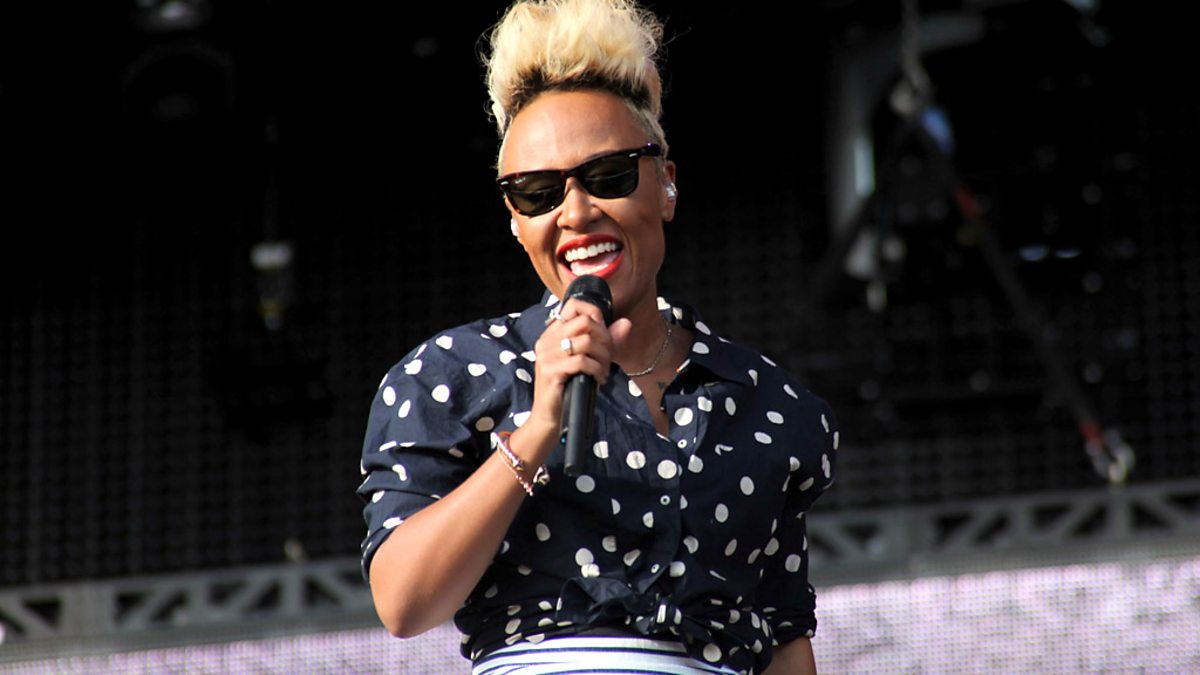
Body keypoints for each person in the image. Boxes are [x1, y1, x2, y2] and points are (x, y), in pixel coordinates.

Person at [357, 1, 837, 672]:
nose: (576, 212)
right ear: (514, 219)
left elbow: (782, 634)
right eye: (537, 192)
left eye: (609, 176)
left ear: (665, 185)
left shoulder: (764, 401)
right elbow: (404, 603)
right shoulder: (453, 374)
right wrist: (538, 428)